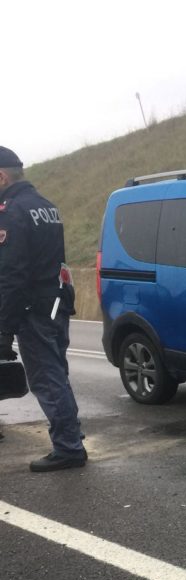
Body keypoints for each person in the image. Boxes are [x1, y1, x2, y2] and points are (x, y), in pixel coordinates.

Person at [0, 146, 86, 471]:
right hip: (57, 302)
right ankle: (71, 437)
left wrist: (4, 328)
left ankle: (68, 447)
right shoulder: (46, 206)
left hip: (34, 308)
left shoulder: (11, 212)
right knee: (56, 373)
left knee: (46, 378)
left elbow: (12, 275)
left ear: (1, 176)